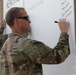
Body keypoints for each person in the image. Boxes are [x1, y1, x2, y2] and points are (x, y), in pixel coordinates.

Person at [0, 7, 70, 75]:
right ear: (17, 21)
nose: (29, 21)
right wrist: (64, 32)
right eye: (26, 18)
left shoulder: (5, 46)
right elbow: (57, 56)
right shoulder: (26, 44)